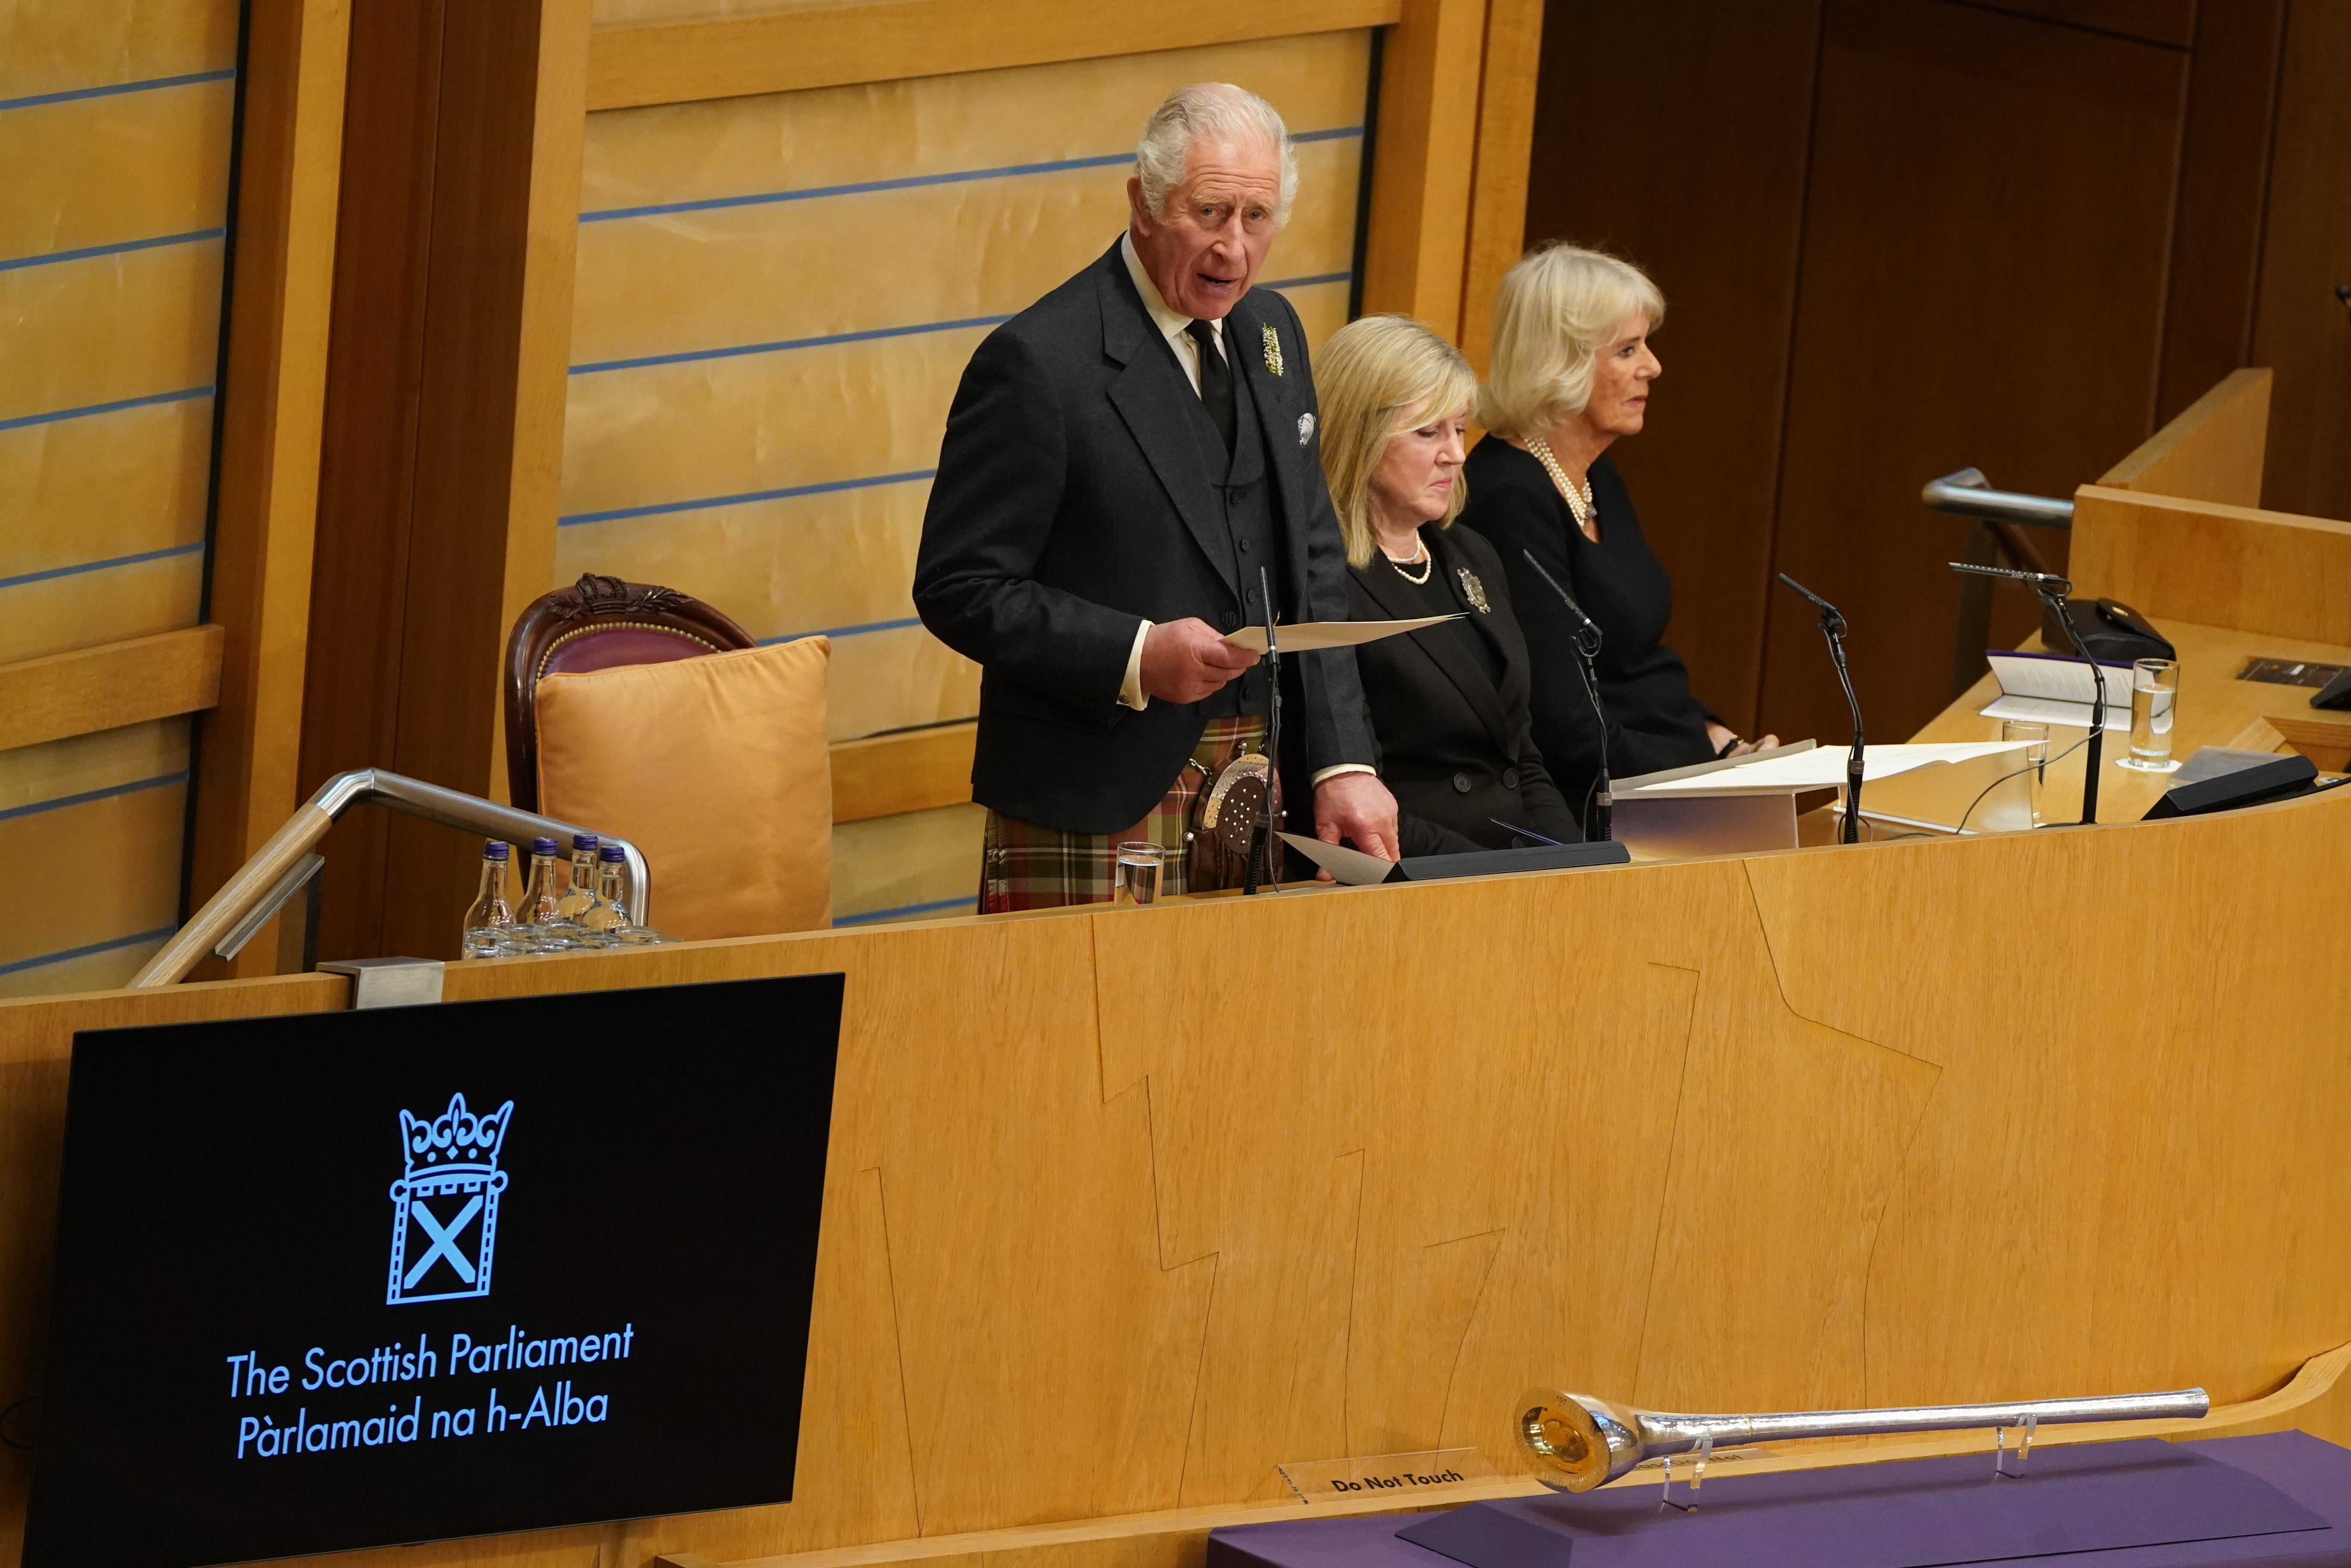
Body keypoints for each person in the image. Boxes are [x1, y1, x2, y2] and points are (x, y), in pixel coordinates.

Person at [914, 84, 1399, 910]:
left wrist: (1342, 761)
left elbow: (1314, 562)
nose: (1234, 250)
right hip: (1097, 795)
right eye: (1210, 213)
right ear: (1141, 202)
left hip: (1265, 791)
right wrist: (1137, 654)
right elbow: (960, 589)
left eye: (1259, 218)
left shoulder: (1272, 331)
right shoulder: (1039, 361)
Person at [1460, 243, 1776, 818]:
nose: (1653, 366)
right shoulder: (1510, 499)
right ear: (1561, 362)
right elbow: (1563, 724)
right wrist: (1703, 784)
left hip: (1666, 770)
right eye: (1629, 349)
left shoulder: (1596, 474)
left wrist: (1717, 738)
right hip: (1591, 806)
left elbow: (1632, 660)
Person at [1316, 316, 1582, 856]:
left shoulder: (1471, 554)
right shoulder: (1321, 576)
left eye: (1459, 429)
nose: (1456, 454)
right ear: (1358, 435)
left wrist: (1568, 861)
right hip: (1413, 869)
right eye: (1428, 431)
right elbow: (1357, 790)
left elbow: (1520, 753)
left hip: (1510, 859)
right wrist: (1495, 880)